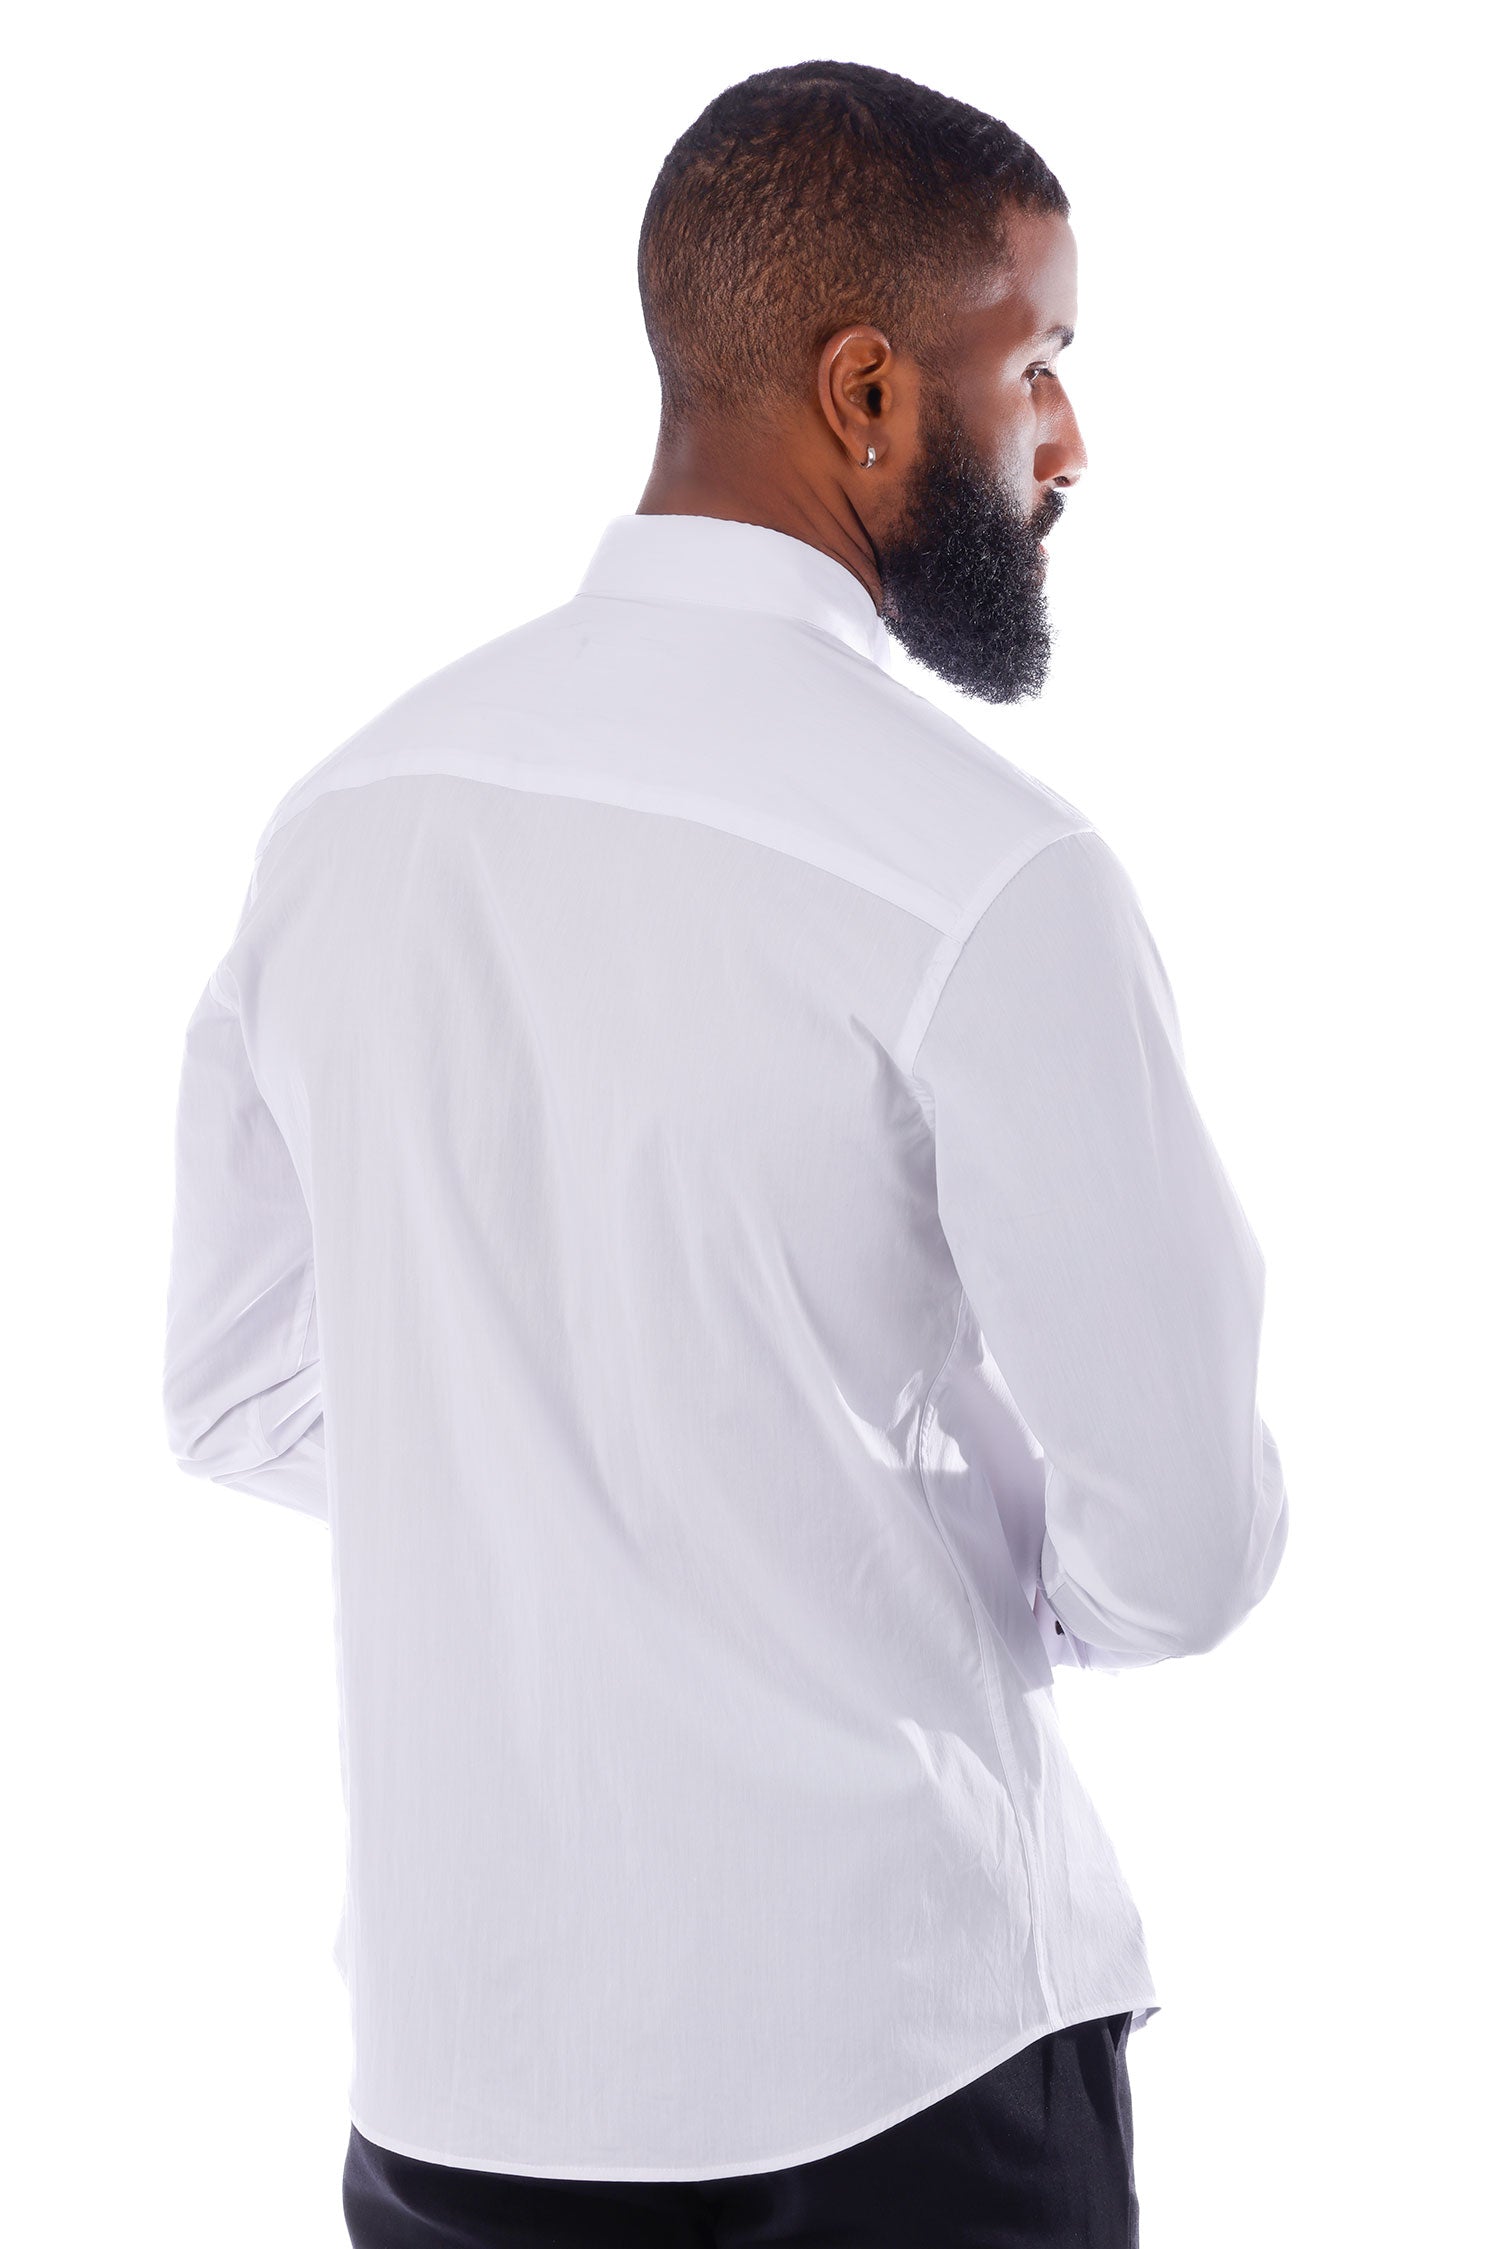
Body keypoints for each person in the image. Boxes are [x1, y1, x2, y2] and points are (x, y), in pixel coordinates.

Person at [162, 57, 1289, 2249]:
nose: (1069, 442)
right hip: (899, 2074)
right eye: (1036, 363)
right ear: (867, 393)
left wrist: (586, 1476)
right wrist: (840, 1524)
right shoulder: (983, 872)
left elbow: (235, 1393)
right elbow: (1185, 1546)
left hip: (461, 2106)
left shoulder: (350, 821)